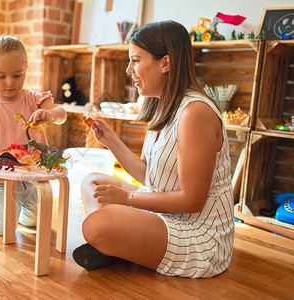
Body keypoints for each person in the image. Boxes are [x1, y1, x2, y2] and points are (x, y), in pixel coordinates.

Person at [72, 20, 234, 278]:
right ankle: (119, 244)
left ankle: (115, 243)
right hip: (162, 209)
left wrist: (127, 200)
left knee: (98, 225)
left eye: (135, 60)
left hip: (198, 233)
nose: (129, 69)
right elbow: (149, 176)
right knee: (91, 182)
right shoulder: (161, 105)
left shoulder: (195, 113)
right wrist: (112, 141)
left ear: (165, 63)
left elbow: (192, 200)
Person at [0, 35, 67, 235]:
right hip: (1, 181)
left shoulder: (35, 99)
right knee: (4, 230)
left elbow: (61, 115)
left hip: (34, 177)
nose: (10, 82)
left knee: (35, 223)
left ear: (26, 69)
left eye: (17, 75)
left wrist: (51, 114)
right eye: (1, 76)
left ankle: (14, 212)